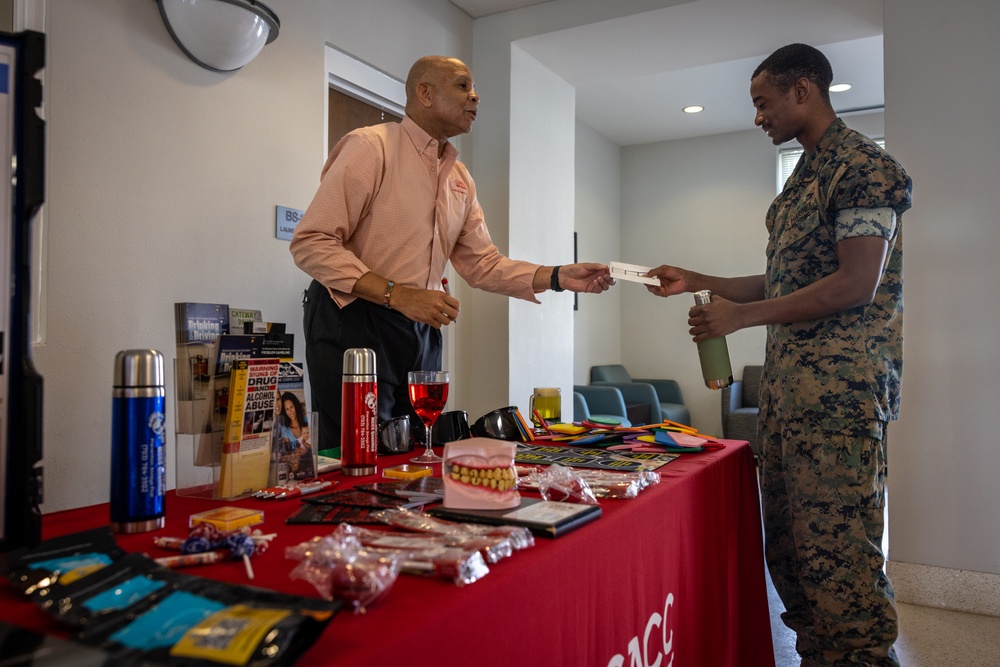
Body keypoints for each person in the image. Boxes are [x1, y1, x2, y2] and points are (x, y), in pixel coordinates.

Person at [645, 44, 912, 666]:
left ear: (803, 91)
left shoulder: (864, 168)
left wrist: (740, 318)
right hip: (789, 404)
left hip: (840, 402)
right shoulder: (804, 179)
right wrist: (697, 278)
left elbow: (855, 284)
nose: (759, 116)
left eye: (764, 103)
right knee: (793, 563)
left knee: (842, 573)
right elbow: (784, 281)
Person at [290, 55, 613, 452]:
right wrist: (397, 293)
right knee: (360, 452)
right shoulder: (370, 147)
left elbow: (483, 264)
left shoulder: (460, 178)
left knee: (416, 450)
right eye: (463, 86)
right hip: (353, 319)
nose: (475, 97)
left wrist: (559, 276)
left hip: (421, 326)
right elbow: (312, 241)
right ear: (424, 93)